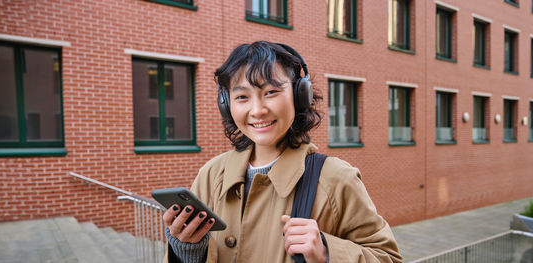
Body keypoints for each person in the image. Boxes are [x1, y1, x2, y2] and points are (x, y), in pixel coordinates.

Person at [162, 41, 402, 263]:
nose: (257, 110)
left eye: (271, 92)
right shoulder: (212, 174)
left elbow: (387, 257)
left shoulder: (336, 179)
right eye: (242, 96)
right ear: (227, 106)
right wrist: (187, 251)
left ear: (300, 96)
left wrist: (328, 252)